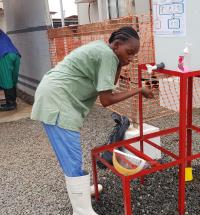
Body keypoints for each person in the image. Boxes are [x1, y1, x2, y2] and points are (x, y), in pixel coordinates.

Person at [31, 26, 153, 215]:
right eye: (129, 53)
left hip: (58, 96)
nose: (131, 58)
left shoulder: (106, 52)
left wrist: (122, 62)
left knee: (71, 155)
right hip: (58, 101)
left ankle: (80, 192)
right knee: (72, 156)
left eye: (133, 55)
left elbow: (109, 84)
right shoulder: (106, 56)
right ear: (117, 45)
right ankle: (81, 210)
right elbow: (106, 100)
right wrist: (139, 90)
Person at [0, 29, 21, 111]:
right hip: (15, 54)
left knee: (6, 80)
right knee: (12, 79)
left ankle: (10, 104)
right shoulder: (2, 33)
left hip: (5, 55)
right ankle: (13, 101)